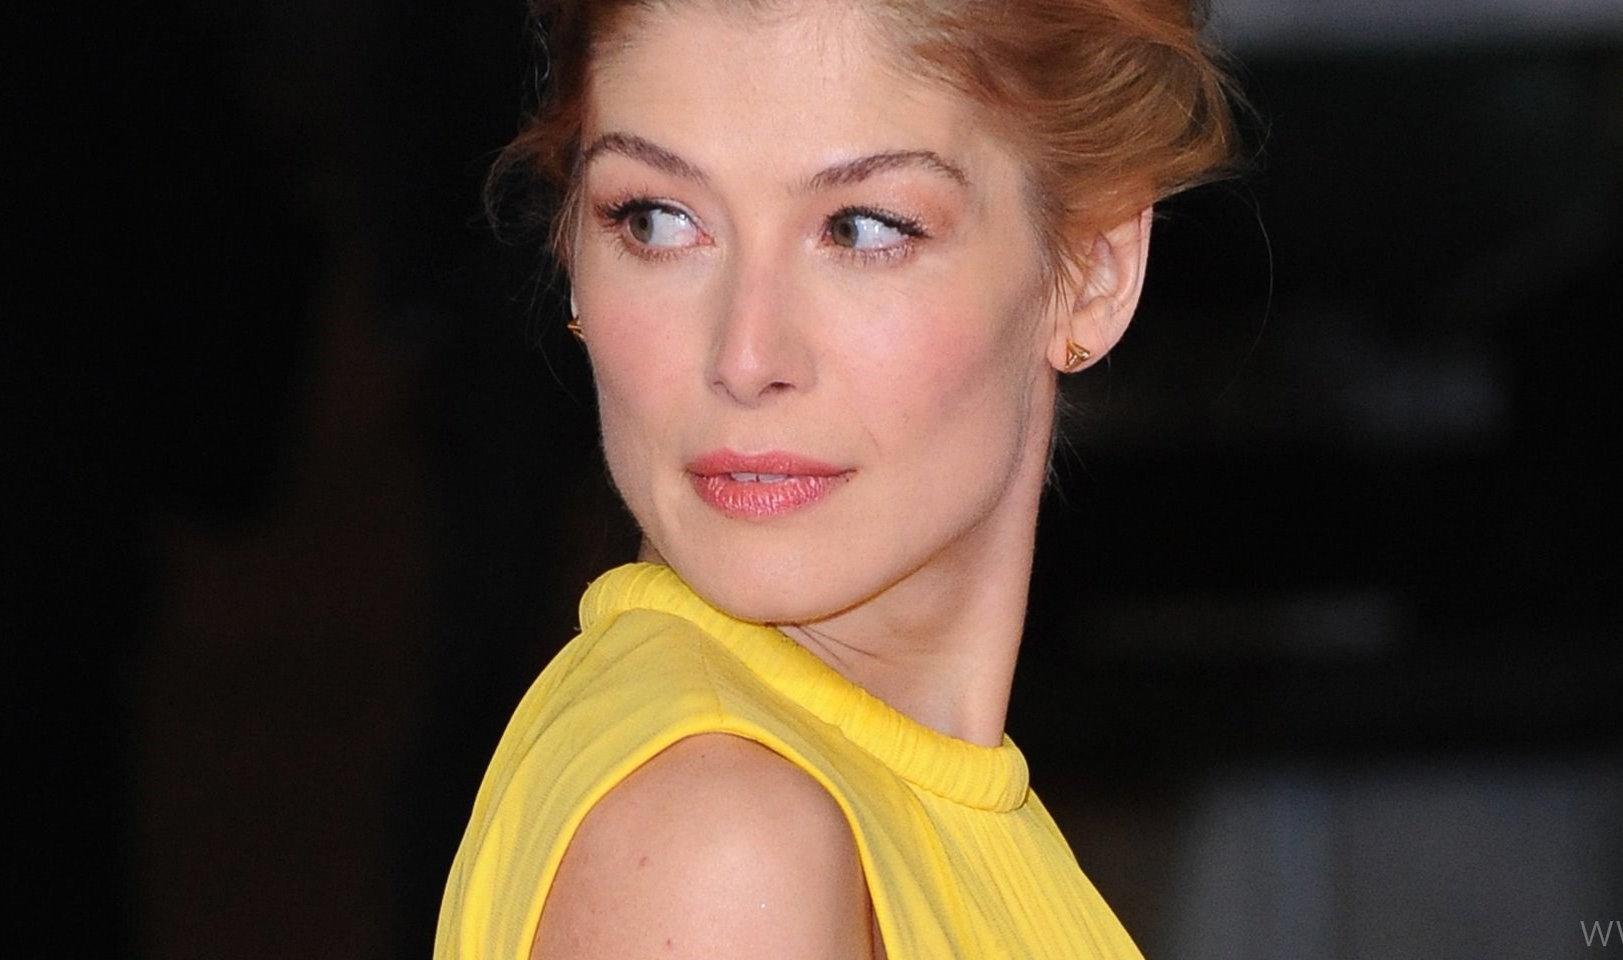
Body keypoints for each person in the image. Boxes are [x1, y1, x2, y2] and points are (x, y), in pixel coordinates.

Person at [437, 0, 1237, 955]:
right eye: (658, 220)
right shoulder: (722, 846)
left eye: (860, 229)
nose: (745, 358)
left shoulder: (885, 807)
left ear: (1093, 270)